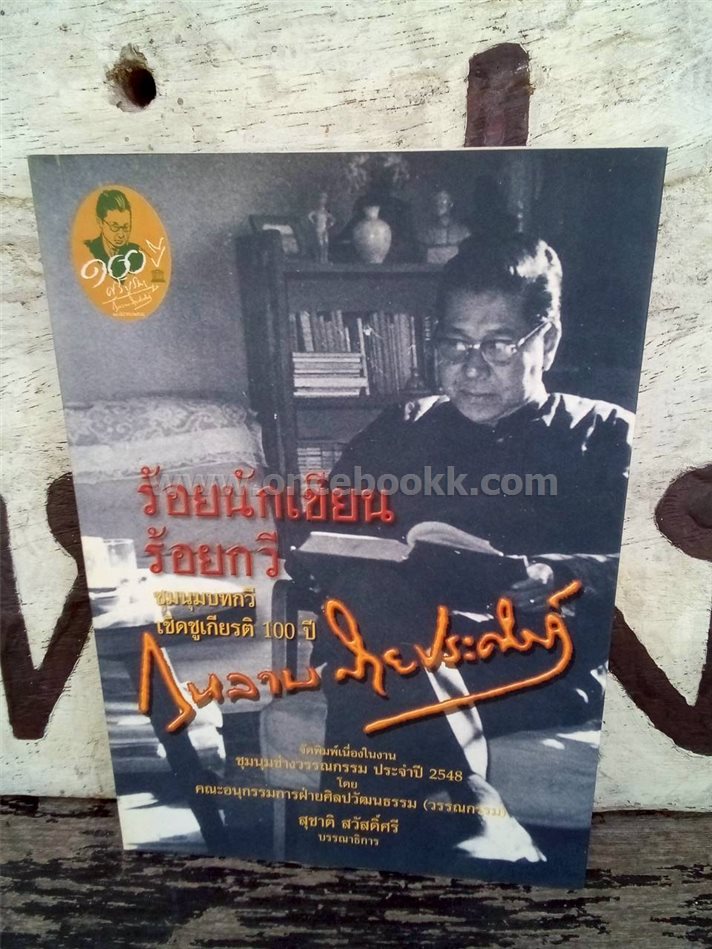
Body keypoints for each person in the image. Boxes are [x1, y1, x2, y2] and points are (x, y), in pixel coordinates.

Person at [297, 234, 633, 878]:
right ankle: (469, 802)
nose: (471, 368)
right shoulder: (400, 431)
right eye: (454, 344)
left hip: (529, 661)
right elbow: (319, 539)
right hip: (394, 642)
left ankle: (347, 874)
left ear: (547, 343)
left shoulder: (609, 437)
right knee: (376, 608)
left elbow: (667, 570)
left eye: (498, 344)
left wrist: (559, 573)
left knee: (371, 686)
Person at [84, 189, 146, 281]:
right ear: (100, 222)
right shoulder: (89, 250)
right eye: (114, 226)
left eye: (126, 227)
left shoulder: (136, 251)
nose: (121, 235)